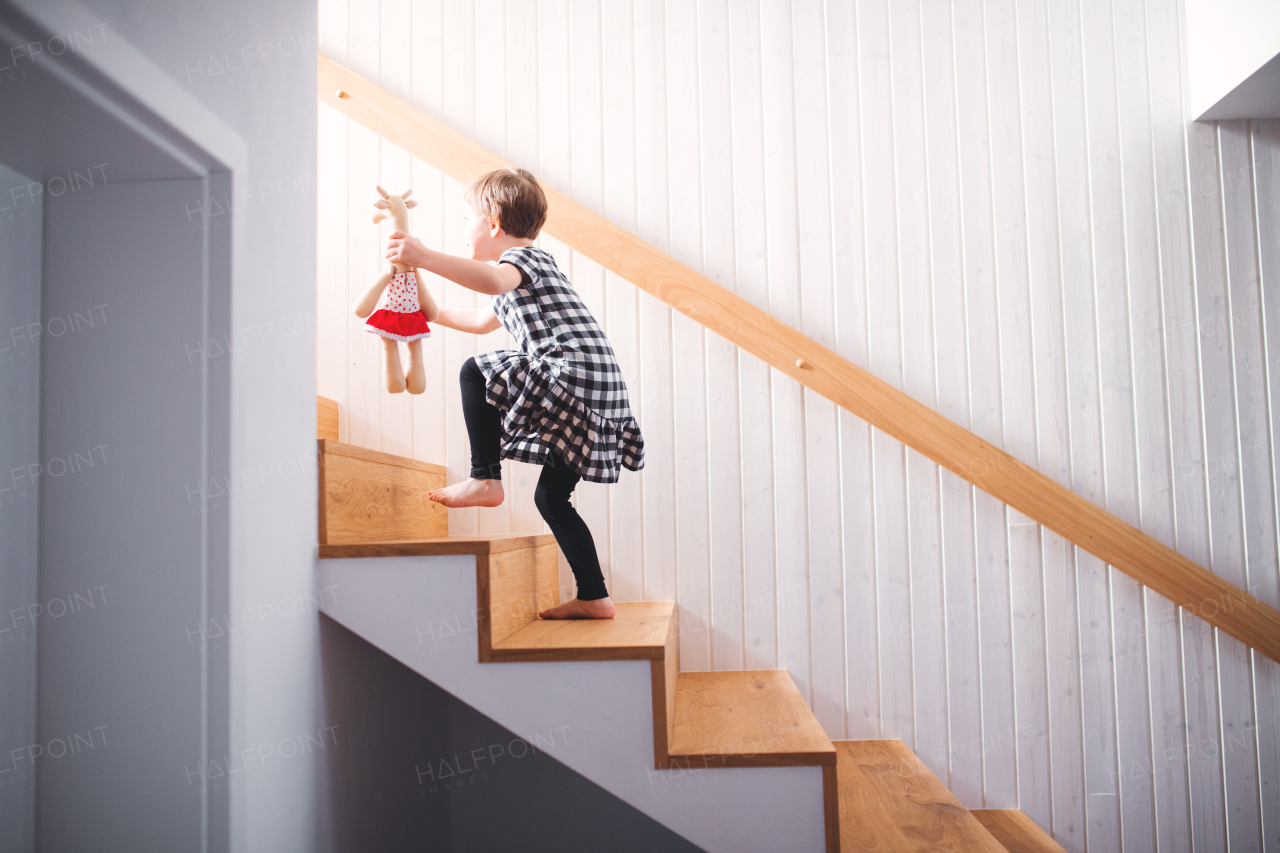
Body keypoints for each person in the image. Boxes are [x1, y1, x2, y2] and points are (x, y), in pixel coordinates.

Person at [384, 168, 643, 619]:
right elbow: (478, 319)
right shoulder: (514, 278)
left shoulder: (529, 260)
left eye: (467, 218)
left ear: (494, 222)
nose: (463, 229)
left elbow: (491, 282)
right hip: (596, 390)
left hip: (574, 372)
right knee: (551, 499)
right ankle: (594, 596)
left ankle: (485, 477)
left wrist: (425, 256)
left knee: (475, 372)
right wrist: (425, 297)